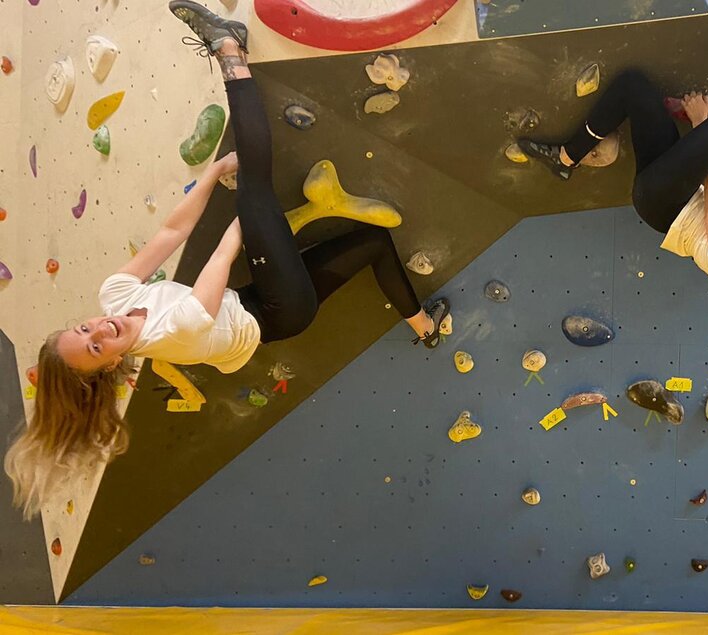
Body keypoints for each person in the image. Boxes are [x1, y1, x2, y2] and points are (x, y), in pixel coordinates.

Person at [3, 0, 449, 519]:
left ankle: (425, 328)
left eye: (84, 331)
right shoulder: (172, 338)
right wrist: (253, 207)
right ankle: (230, 49)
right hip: (283, 310)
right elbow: (222, 252)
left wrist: (214, 175)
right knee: (255, 190)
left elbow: (173, 230)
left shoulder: (114, 295)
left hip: (255, 305)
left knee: (370, 243)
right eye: (97, 347)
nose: (100, 330)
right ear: (108, 367)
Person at [518, 0, 708, 389]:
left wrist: (707, 124)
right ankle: (566, 158)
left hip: (662, 202)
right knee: (634, 88)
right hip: (681, 187)